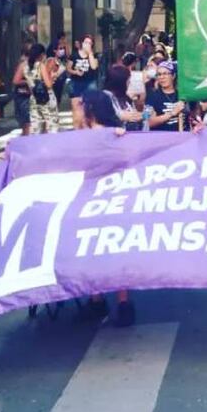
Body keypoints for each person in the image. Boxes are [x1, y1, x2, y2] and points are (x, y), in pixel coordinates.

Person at [79, 89, 135, 326]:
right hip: (114, 198)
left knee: (91, 249)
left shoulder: (92, 137)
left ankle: (97, 299)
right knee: (114, 249)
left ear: (90, 110)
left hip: (94, 199)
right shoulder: (116, 134)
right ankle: (122, 303)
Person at [23, 44, 60, 135]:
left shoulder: (25, 67)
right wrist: (53, 76)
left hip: (34, 98)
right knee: (52, 126)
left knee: (36, 128)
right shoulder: (40, 65)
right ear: (41, 54)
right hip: (47, 98)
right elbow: (48, 85)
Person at [66, 34, 99, 129]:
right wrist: (75, 72)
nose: (87, 44)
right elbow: (68, 68)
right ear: (82, 43)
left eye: (90, 43)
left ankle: (88, 128)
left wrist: (90, 54)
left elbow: (94, 67)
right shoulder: (74, 55)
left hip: (89, 83)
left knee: (89, 108)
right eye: (86, 42)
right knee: (76, 108)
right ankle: (77, 129)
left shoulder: (94, 55)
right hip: (76, 83)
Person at [146, 61, 187, 131]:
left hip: (183, 136)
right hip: (162, 136)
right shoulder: (153, 96)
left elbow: (194, 116)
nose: (162, 77)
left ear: (173, 76)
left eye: (165, 74)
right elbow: (148, 122)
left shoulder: (182, 95)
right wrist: (172, 113)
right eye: (159, 74)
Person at [104, 65, 144, 131]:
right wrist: (120, 116)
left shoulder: (125, 97)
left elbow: (134, 114)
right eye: (128, 81)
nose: (130, 83)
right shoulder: (104, 97)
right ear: (121, 82)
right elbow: (104, 117)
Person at [11, 44, 34, 136]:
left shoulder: (33, 63)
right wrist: (28, 81)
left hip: (28, 95)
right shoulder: (23, 63)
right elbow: (16, 80)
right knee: (26, 124)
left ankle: (25, 139)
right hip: (23, 95)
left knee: (27, 124)